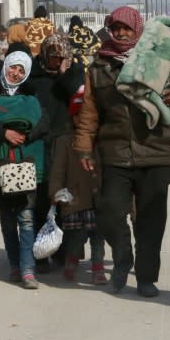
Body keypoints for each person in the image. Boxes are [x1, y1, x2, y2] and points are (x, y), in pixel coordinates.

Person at [74, 7, 170, 297]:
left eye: (126, 28)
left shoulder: (158, 60)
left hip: (155, 151)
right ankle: (122, 259)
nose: (120, 33)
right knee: (108, 213)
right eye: (115, 28)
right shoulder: (98, 68)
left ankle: (146, 277)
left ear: (138, 30)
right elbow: (90, 112)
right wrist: (83, 149)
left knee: (151, 221)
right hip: (114, 152)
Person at [0, 52, 49, 289]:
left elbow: (43, 122)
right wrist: (4, 133)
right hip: (0, 166)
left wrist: (26, 135)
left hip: (25, 163)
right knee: (7, 219)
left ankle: (28, 269)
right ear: (5, 66)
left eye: (21, 71)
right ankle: (14, 264)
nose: (15, 73)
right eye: (12, 68)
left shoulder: (31, 94)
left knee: (26, 217)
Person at [26, 34, 85, 272]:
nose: (57, 61)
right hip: (40, 145)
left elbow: (78, 94)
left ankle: (63, 252)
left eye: (62, 57)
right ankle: (41, 255)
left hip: (65, 147)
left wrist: (64, 72)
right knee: (40, 201)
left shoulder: (73, 75)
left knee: (65, 202)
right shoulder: (34, 77)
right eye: (53, 57)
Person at [49, 86, 107, 285]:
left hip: (97, 198)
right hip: (72, 199)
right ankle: (71, 262)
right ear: (72, 117)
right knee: (75, 237)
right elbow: (57, 171)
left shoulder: (101, 140)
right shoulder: (65, 141)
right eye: (78, 116)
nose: (83, 120)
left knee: (98, 236)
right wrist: (55, 194)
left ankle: (98, 268)